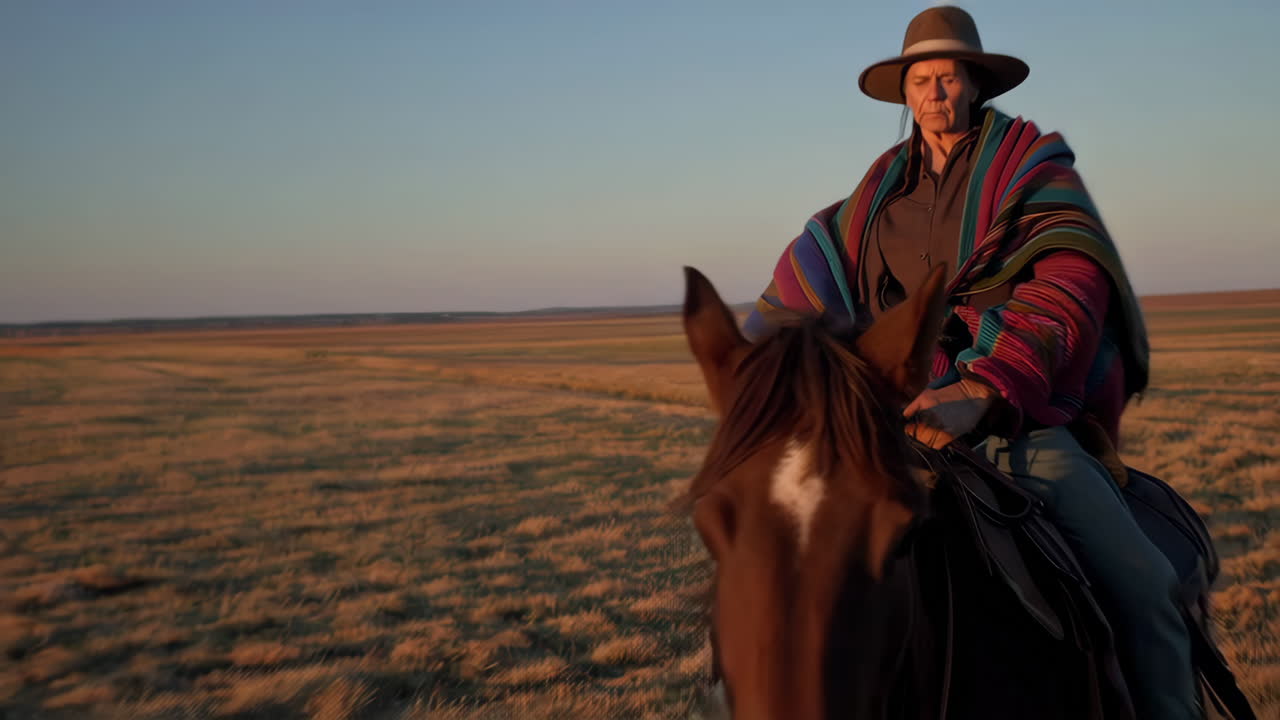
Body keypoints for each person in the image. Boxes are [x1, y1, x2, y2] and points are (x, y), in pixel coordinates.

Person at [741, 6, 1199, 719]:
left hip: (1013, 426)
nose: (934, 93)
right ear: (904, 92)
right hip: (894, 425)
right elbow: (799, 290)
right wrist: (761, 366)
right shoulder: (871, 202)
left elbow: (1070, 283)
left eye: (948, 77)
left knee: (1143, 587)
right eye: (920, 80)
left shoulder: (1034, 173)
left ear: (975, 84)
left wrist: (984, 387)